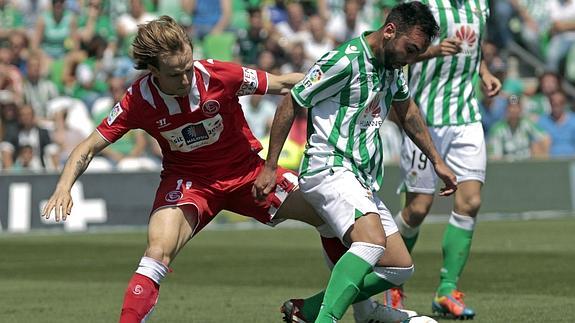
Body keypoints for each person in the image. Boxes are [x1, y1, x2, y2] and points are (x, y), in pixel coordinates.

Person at [40, 15, 405, 323]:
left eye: (187, 68)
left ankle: (359, 310)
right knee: (157, 252)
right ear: (152, 71)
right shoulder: (138, 100)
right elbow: (88, 146)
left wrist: (337, 81)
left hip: (249, 175)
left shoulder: (220, 75)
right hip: (190, 183)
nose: (185, 80)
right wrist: (63, 186)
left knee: (332, 217)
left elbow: (282, 84)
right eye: (174, 75)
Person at [253, 2, 457, 322]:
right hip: (329, 166)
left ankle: (312, 309)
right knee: (371, 242)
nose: (411, 58)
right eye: (411, 49)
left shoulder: (391, 66)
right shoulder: (344, 60)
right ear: (390, 31)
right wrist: (270, 165)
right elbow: (293, 100)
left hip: (360, 176)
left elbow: (407, 112)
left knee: (399, 267)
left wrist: (437, 160)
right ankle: (326, 318)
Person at [383, 0, 502, 319]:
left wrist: (484, 71)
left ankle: (447, 291)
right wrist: (434, 51)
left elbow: (473, 49)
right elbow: (397, 52)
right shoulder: (426, 6)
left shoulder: (480, 5)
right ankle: (391, 282)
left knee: (471, 202)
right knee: (418, 209)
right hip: (425, 118)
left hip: (465, 116)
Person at [487, 95, 550, 161]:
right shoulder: (498, 129)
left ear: (521, 109)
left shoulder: (526, 123)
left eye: (516, 107)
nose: (514, 110)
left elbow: (545, 138)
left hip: (527, 165)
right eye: (511, 107)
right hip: (507, 166)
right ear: (506, 109)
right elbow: (494, 157)